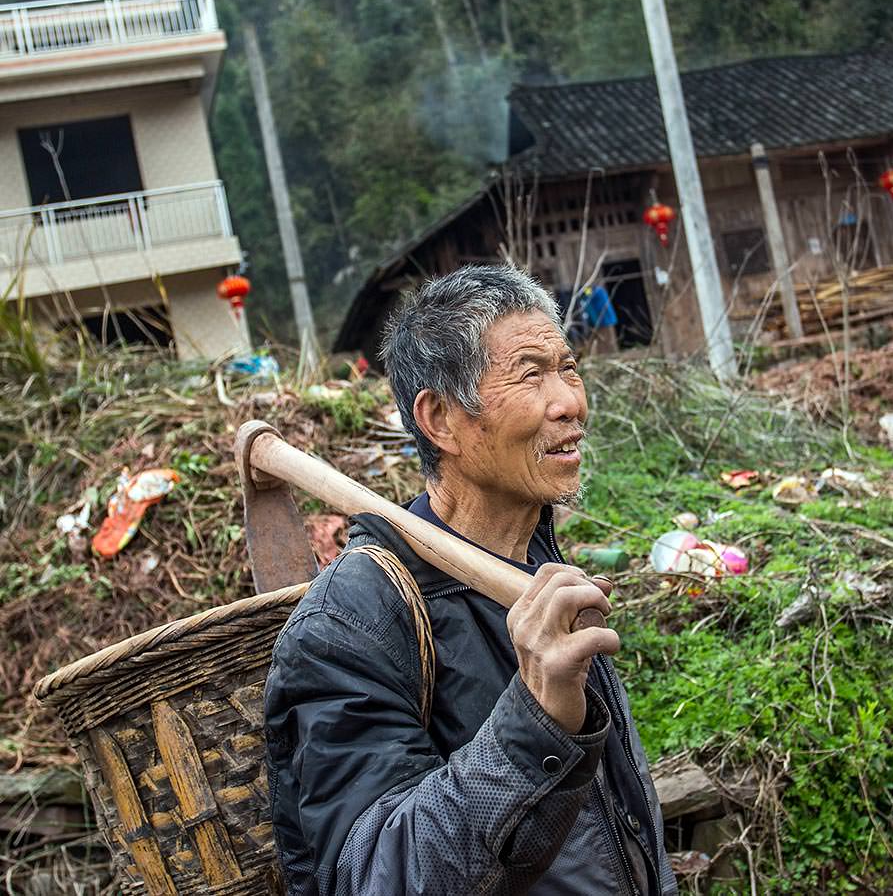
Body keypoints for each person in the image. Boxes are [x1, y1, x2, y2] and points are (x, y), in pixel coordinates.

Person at [264, 265, 678, 895]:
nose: (570, 401)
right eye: (530, 374)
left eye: (568, 367)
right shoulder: (353, 621)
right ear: (440, 420)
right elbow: (374, 877)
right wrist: (534, 725)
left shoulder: (537, 563)